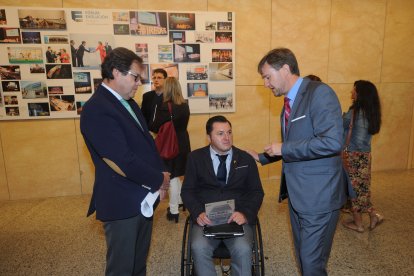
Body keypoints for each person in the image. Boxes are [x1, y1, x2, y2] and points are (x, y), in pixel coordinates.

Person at [248, 48, 346, 276]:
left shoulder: (320, 93)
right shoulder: (289, 102)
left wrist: (284, 147)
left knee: (312, 264)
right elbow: (300, 144)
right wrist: (261, 157)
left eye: (267, 76)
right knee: (305, 259)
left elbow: (332, 141)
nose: (265, 84)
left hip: (319, 197)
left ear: (284, 69)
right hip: (298, 195)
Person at [80, 47, 170, 276]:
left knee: (138, 265)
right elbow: (120, 160)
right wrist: (159, 179)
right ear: (115, 72)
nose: (139, 83)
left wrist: (159, 178)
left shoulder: (129, 103)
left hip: (143, 198)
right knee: (121, 268)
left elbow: (147, 146)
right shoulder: (97, 109)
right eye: (135, 76)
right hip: (121, 202)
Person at [181, 115, 264, 276]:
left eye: (229, 132)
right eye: (220, 133)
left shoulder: (245, 159)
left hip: (236, 218)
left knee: (243, 248)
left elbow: (256, 192)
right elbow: (187, 190)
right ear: (209, 137)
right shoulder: (195, 158)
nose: (226, 137)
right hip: (206, 219)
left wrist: (245, 214)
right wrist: (198, 212)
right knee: (198, 247)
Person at [341, 80, 383, 233]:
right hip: (365, 156)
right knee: (362, 189)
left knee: (353, 190)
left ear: (360, 93)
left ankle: (358, 224)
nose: (351, 92)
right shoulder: (372, 112)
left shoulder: (354, 112)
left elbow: (339, 125)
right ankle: (373, 215)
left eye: (354, 90)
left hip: (352, 156)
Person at [149, 77, 191, 223]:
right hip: (183, 142)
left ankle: (173, 211)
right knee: (179, 173)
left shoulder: (165, 106)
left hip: (170, 144)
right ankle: (180, 201)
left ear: (167, 89)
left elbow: (154, 126)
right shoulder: (185, 105)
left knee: (171, 176)